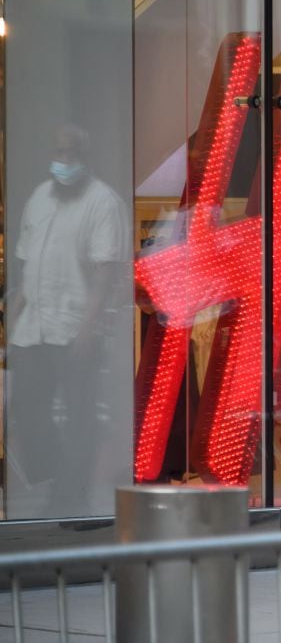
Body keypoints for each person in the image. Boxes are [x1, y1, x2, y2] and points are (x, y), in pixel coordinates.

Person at [6, 124, 128, 518]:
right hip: (34, 327)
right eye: (58, 153)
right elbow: (29, 267)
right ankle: (56, 474)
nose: (62, 162)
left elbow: (104, 274)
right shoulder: (40, 198)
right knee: (25, 407)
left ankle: (71, 496)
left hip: (75, 326)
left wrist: (87, 329)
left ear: (85, 158)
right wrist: (14, 314)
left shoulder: (102, 203)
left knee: (79, 414)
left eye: (70, 154)